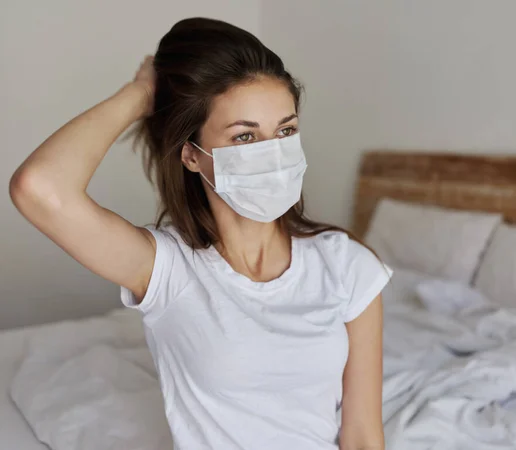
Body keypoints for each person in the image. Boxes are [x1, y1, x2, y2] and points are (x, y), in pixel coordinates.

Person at [10, 17, 391, 450]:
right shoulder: (166, 268)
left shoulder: (348, 265)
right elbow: (39, 189)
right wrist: (140, 95)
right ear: (191, 155)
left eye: (285, 130)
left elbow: (362, 436)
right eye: (245, 136)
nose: (273, 152)